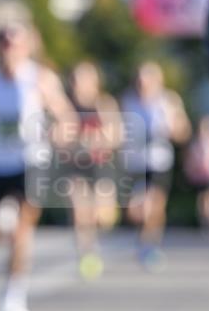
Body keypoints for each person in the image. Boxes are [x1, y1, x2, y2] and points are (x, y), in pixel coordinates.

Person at [0, 23, 76, 311]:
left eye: (14, 43)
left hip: (30, 161)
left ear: (27, 46)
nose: (8, 49)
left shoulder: (40, 78)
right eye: (3, 43)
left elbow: (66, 116)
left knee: (23, 232)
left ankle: (14, 297)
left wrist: (58, 132)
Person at [121, 62, 191, 270]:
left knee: (155, 205)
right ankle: (143, 237)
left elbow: (183, 132)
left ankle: (151, 245)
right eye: (141, 79)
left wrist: (172, 127)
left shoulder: (168, 101)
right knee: (136, 210)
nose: (144, 83)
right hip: (134, 163)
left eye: (148, 79)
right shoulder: (127, 100)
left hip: (159, 162)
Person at [64, 61, 122, 280]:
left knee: (103, 217)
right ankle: (86, 253)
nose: (80, 84)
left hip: (101, 165)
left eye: (85, 78)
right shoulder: (66, 106)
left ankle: (95, 241)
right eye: (76, 79)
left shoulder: (104, 104)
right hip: (76, 166)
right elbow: (60, 136)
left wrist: (95, 140)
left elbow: (116, 136)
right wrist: (75, 143)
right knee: (80, 213)